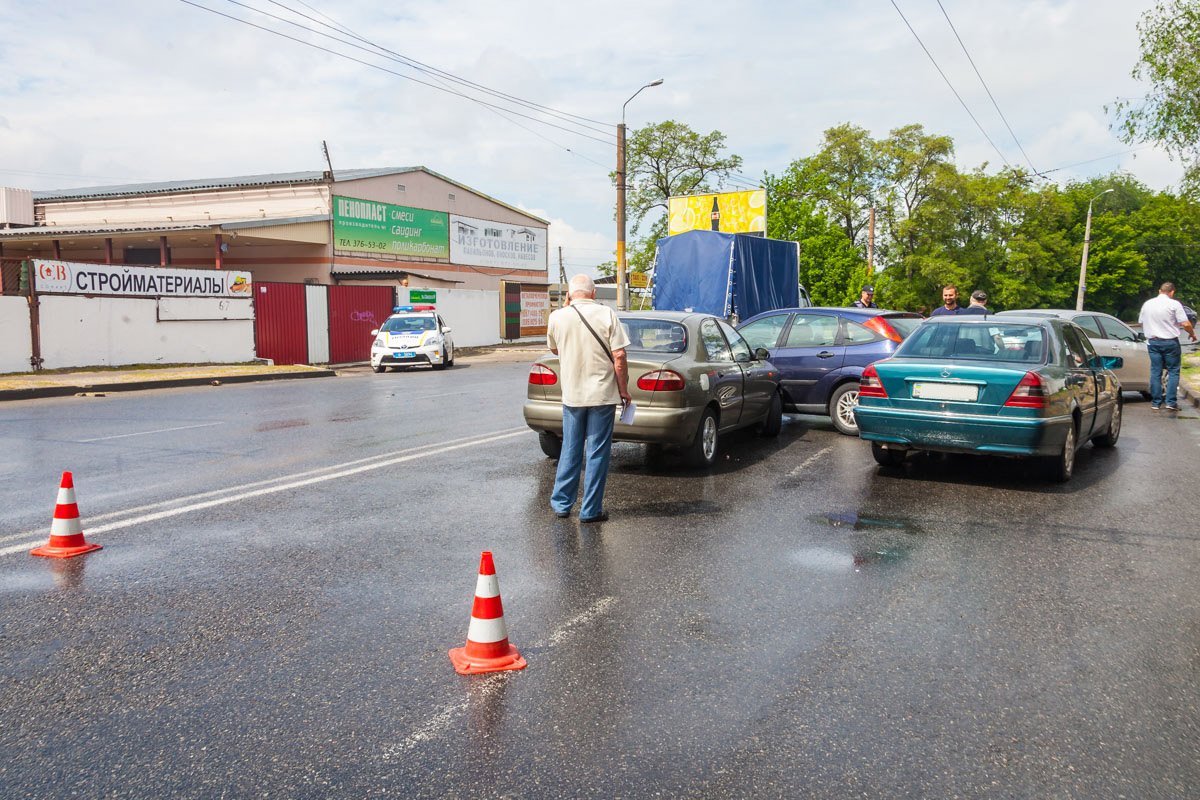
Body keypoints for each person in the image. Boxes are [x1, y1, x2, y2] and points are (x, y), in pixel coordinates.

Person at [546, 274, 632, 522]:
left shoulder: (557, 317)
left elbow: (554, 348)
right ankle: (590, 510)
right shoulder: (607, 314)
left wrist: (564, 309)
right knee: (597, 452)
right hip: (602, 395)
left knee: (570, 450)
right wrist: (623, 389)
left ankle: (562, 504)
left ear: (569, 295)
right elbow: (620, 357)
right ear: (594, 293)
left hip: (572, 396)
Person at [1138, 281, 1197, 411]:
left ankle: (1156, 402)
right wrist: (1192, 334)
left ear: (1160, 291)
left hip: (1152, 342)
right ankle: (1170, 402)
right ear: (1172, 292)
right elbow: (1186, 324)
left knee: (1155, 372)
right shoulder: (1174, 304)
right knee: (1173, 371)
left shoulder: (1148, 304)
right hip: (1170, 342)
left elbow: (1141, 322)